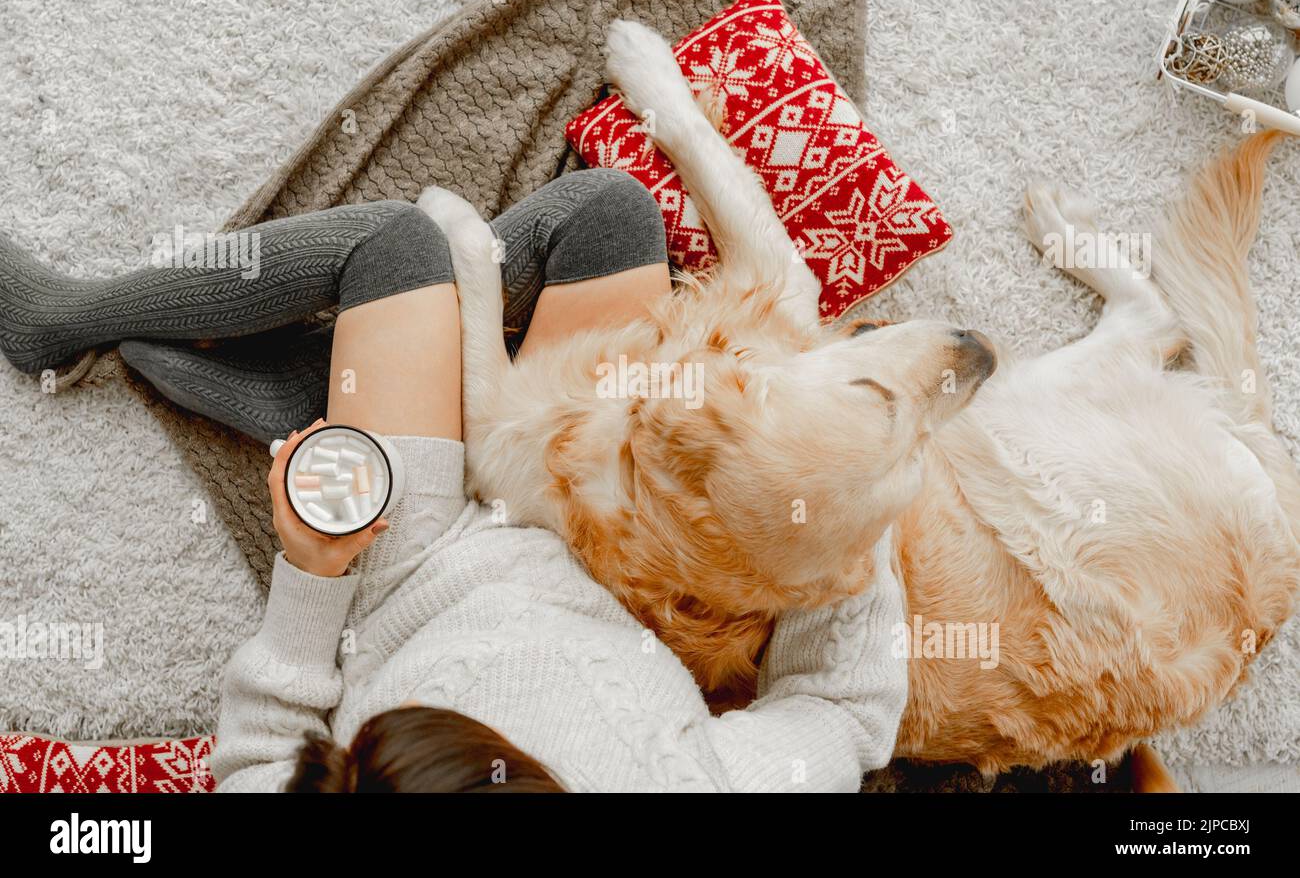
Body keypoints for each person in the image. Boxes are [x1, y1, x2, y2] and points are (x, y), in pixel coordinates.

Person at [0, 169, 908, 792]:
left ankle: (62, 324)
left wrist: (314, 575)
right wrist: (850, 508)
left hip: (411, 567)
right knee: (611, 217)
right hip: (619, 573)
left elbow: (260, 756)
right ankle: (324, 378)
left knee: (396, 247)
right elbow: (842, 706)